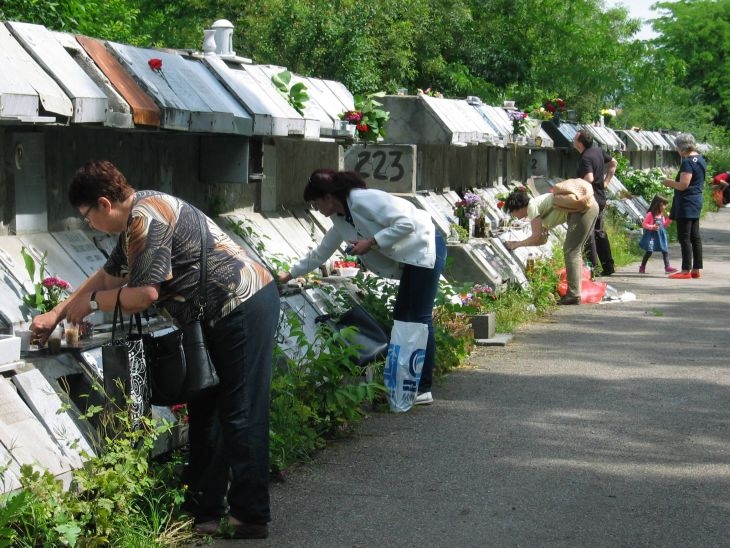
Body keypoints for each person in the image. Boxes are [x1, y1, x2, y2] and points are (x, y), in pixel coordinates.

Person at [30, 160, 279, 539]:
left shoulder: (146, 217)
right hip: (216, 313)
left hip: (241, 304)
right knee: (207, 409)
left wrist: (94, 304)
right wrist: (56, 313)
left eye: (87, 217)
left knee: (241, 410)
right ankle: (205, 509)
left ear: (104, 203)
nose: (89, 225)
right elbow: (107, 276)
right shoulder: (135, 221)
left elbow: (144, 294)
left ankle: (250, 515)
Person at [277, 168, 446, 405]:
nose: (316, 209)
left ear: (328, 198)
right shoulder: (340, 218)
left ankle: (422, 387)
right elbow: (321, 252)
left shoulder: (362, 199)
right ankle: (405, 383)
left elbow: (406, 223)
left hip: (427, 246)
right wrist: (289, 273)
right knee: (403, 316)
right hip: (411, 256)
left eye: (316, 203)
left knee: (417, 317)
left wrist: (372, 242)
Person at [503, 186, 599, 305]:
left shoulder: (531, 207)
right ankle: (576, 291)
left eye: (512, 212)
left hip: (582, 211)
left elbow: (537, 237)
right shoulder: (538, 206)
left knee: (571, 251)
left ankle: (573, 295)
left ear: (517, 208)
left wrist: (517, 244)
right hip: (588, 207)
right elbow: (542, 240)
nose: (514, 216)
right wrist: (522, 243)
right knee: (574, 251)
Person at [573, 128, 618, 276]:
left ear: (580, 143)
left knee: (588, 233)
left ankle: (593, 268)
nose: (573, 141)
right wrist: (606, 181)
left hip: (590, 201)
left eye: (575, 139)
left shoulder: (585, 157)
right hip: (601, 197)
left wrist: (575, 188)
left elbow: (589, 179)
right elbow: (613, 162)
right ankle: (608, 266)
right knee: (600, 232)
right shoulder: (598, 151)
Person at [662, 133, 706, 279]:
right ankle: (696, 269)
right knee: (695, 237)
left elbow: (683, 185)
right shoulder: (700, 159)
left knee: (684, 237)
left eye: (677, 147)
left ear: (683, 147)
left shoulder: (687, 162)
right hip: (696, 200)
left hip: (686, 202)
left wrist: (668, 182)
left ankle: (685, 270)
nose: (677, 150)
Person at [638, 195, 677, 275]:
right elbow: (644, 224)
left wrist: (669, 219)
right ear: (658, 205)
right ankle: (642, 267)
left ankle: (667, 267)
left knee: (665, 250)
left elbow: (664, 225)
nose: (665, 207)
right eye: (664, 205)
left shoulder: (661, 215)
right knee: (649, 251)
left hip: (661, 236)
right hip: (651, 236)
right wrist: (652, 227)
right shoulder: (650, 214)